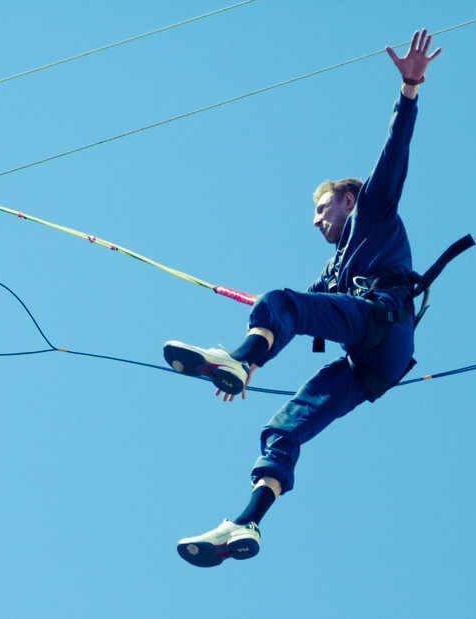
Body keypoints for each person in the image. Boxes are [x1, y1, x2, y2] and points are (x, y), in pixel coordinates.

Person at [163, 29, 442, 568]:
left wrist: (409, 90)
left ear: (346, 199)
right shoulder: (331, 272)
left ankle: (241, 363)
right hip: (369, 367)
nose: (317, 223)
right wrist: (263, 333)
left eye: (321, 211)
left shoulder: (374, 210)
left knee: (280, 302)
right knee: (283, 428)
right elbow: (298, 310)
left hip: (384, 323)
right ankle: (245, 523)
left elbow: (394, 153)